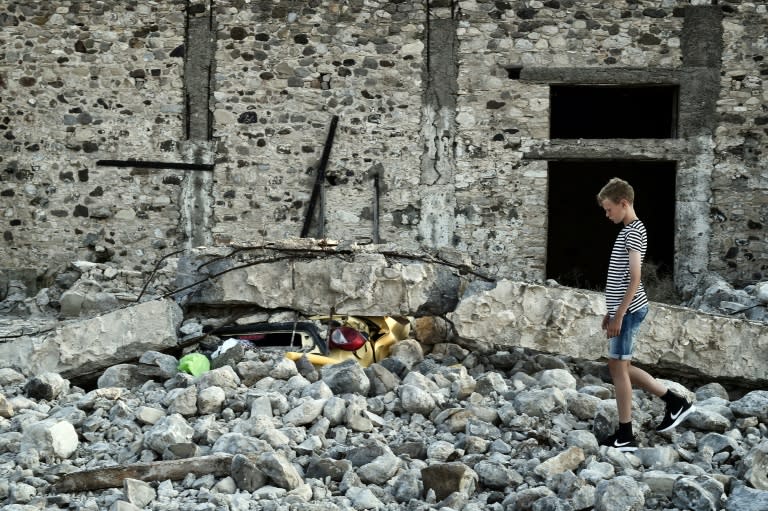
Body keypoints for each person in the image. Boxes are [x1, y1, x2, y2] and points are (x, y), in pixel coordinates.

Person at [596, 177, 694, 452]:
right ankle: (674, 401)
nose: (607, 215)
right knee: (621, 367)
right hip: (622, 312)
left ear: (623, 203)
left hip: (630, 311)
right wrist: (610, 312)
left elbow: (635, 278)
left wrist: (619, 316)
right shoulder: (627, 230)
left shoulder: (635, 231)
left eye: (608, 209)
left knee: (617, 368)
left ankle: (625, 435)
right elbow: (619, 276)